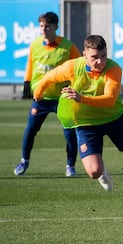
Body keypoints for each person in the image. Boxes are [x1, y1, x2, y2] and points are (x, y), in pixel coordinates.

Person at [33, 35, 123, 215]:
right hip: (86, 123)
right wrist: (38, 92)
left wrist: (81, 98)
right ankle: (103, 172)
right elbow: (49, 77)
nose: (100, 61)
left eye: (103, 56)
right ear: (84, 54)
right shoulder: (73, 66)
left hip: (114, 119)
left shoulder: (114, 69)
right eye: (94, 57)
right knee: (94, 171)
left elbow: (109, 100)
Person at [15, 12, 80, 177]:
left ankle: (70, 165)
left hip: (62, 98)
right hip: (42, 97)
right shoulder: (35, 44)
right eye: (41, 26)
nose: (44, 29)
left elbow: (79, 68)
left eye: (47, 26)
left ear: (56, 27)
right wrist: (27, 82)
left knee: (69, 132)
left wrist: (76, 88)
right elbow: (30, 63)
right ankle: (24, 161)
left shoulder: (67, 46)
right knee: (30, 130)